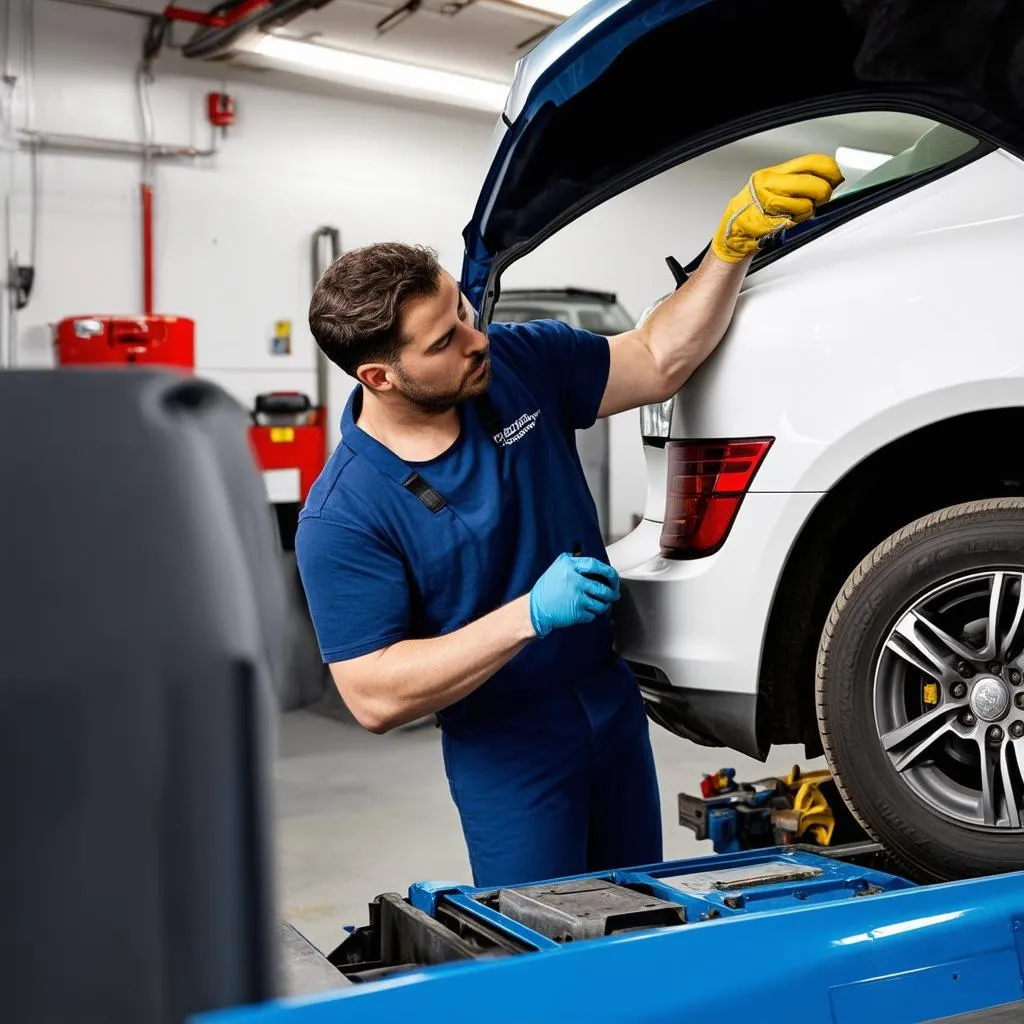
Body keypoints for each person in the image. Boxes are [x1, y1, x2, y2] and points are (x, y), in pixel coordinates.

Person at [295, 154, 844, 887]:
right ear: (380, 378)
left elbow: (655, 358)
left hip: (607, 704)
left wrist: (729, 247)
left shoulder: (520, 363)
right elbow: (372, 693)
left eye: (461, 311)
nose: (474, 339)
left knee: (640, 916)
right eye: (443, 341)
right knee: (552, 942)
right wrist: (528, 615)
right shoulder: (345, 514)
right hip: (507, 744)